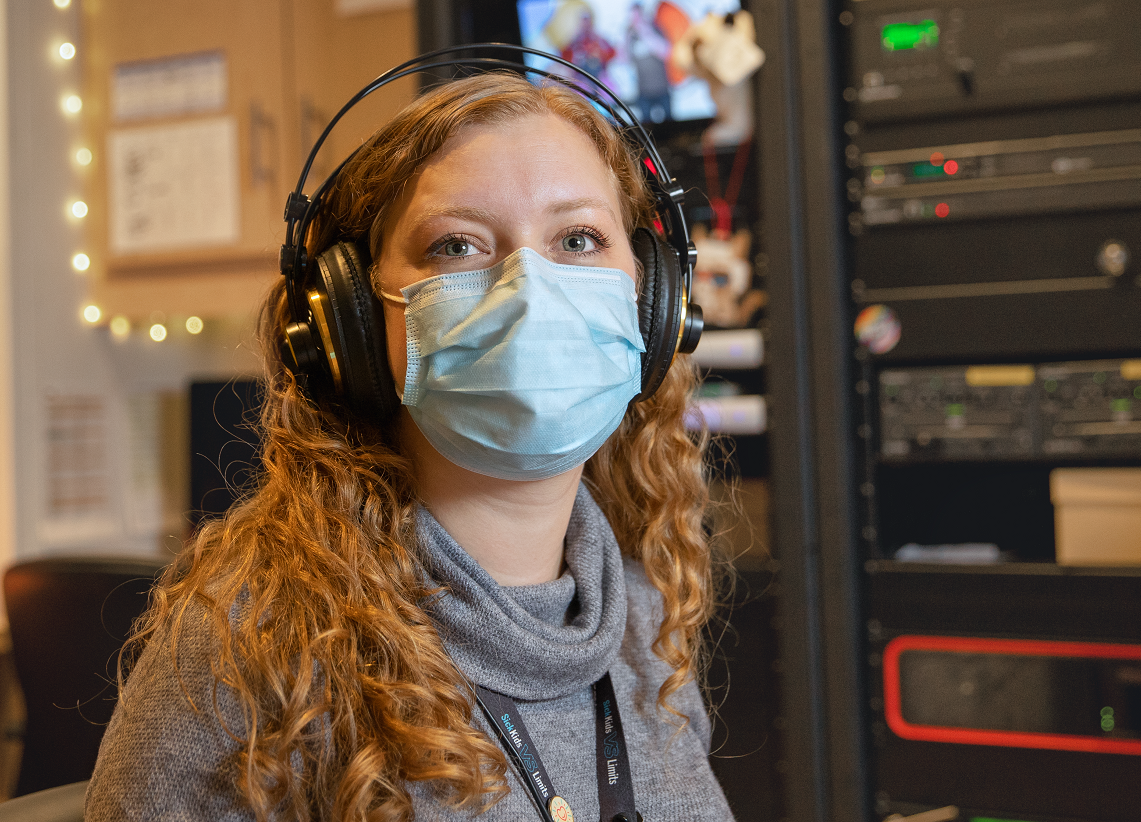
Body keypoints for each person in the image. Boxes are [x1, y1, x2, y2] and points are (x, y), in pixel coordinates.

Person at [85, 71, 734, 822]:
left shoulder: (644, 624)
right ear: (353, 322)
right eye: (456, 245)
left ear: (653, 303)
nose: (531, 288)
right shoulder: (252, 652)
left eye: (578, 239)